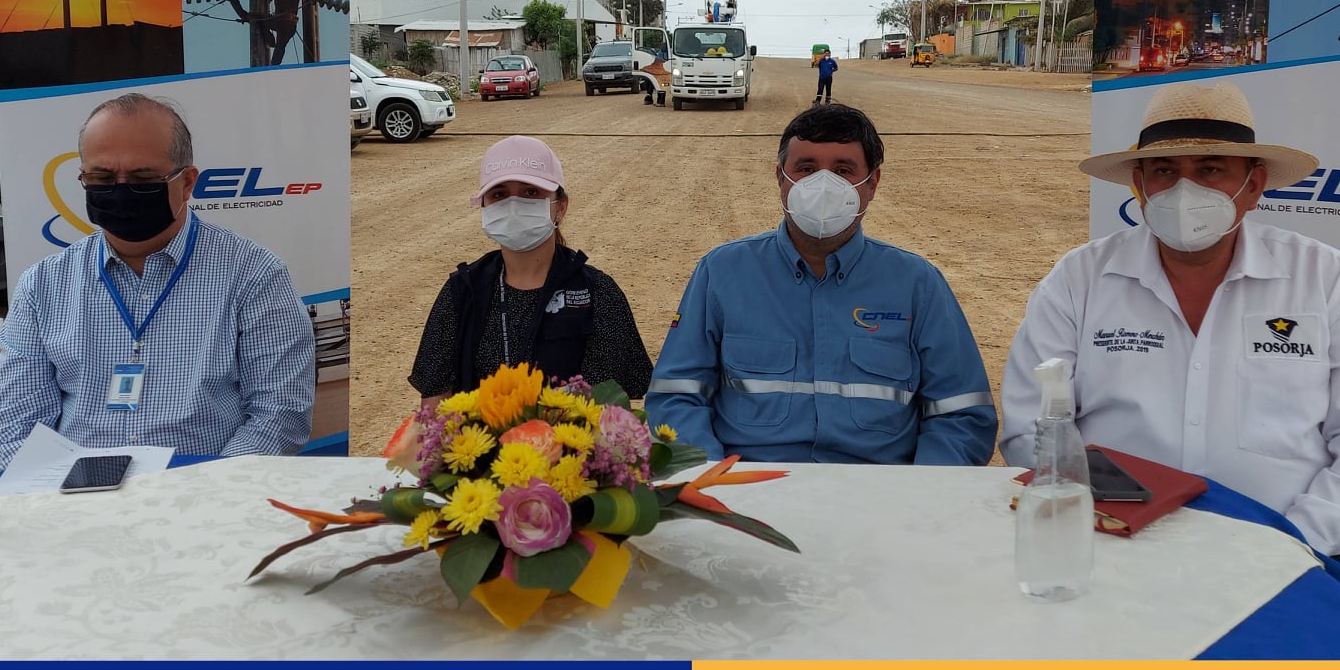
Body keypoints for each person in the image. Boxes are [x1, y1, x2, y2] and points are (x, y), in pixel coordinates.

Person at [1000, 80, 1340, 592]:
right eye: (1164, 171)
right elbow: (1029, 426)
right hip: (1109, 541)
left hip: (1293, 553)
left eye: (1210, 170)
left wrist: (1292, 542)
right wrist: (1101, 516)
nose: (1185, 191)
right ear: (1139, 185)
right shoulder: (1079, 280)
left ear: (1254, 184)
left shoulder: (1326, 281)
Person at [648, 104, 997, 464]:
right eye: (806, 168)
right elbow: (676, 397)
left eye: (843, 170)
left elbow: (961, 416)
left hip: (880, 491)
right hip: (748, 487)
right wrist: (710, 482)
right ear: (781, 178)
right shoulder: (722, 273)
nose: (823, 185)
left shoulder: (917, 285)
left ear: (872, 183)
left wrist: (921, 491)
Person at [0, 93, 315, 469]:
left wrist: (198, 492)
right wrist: (58, 491)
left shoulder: (254, 276)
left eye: (143, 179)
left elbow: (279, 415)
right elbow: (15, 426)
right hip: (76, 494)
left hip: (203, 491)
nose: (120, 191)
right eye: (101, 178)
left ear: (188, 182)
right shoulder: (42, 286)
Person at [408, 135, 653, 402]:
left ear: (560, 207)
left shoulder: (598, 293)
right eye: (499, 194)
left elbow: (610, 405)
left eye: (531, 192)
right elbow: (434, 405)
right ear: (483, 207)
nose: (513, 205)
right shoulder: (461, 292)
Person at [266, 0, 300, 65]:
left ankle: (270, 41)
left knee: (260, 20)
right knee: (280, 47)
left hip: (281, 23)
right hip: (291, 26)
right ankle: (274, 66)